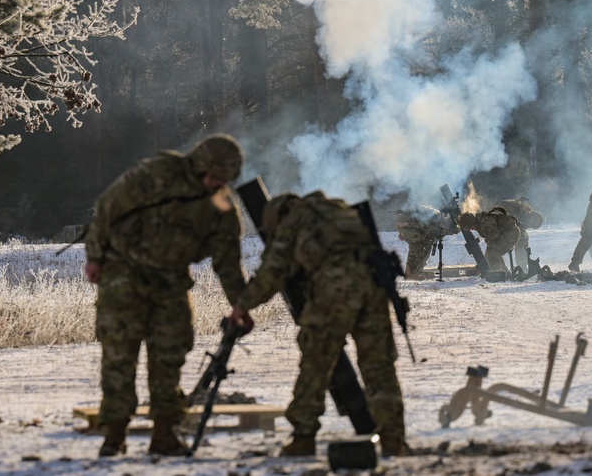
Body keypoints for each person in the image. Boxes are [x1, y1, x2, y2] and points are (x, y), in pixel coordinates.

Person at [84, 134, 252, 457]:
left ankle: (164, 434)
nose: (216, 184)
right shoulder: (155, 173)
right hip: (123, 275)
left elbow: (227, 261)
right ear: (199, 164)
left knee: (169, 358)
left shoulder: (220, 205)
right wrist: (95, 257)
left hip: (170, 283)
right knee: (119, 358)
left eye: (224, 180)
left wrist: (239, 303)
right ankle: (114, 435)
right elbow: (107, 207)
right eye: (214, 176)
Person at [228, 191, 408, 458]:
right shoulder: (338, 209)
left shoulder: (294, 220)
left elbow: (273, 271)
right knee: (378, 364)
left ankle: (303, 436)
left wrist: (243, 305)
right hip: (373, 285)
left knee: (316, 362)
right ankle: (393, 438)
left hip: (333, 288)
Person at [396, 205, 459, 279]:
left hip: (423, 234)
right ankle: (410, 274)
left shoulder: (439, 220)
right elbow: (404, 223)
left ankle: (418, 271)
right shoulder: (434, 217)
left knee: (425, 251)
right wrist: (407, 224)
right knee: (416, 251)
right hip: (414, 232)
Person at [457, 206, 522, 273]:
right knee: (489, 254)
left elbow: (495, 236)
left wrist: (488, 241)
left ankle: (497, 273)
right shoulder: (480, 222)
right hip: (506, 233)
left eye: (470, 227)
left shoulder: (485, 223)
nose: (472, 229)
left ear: (472, 223)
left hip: (511, 234)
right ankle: (504, 272)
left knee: (492, 253)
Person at [496, 197, 545, 271]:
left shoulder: (525, 210)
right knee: (523, 237)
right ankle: (520, 266)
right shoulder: (517, 210)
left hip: (500, 223)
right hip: (496, 222)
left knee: (522, 236)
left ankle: (498, 267)